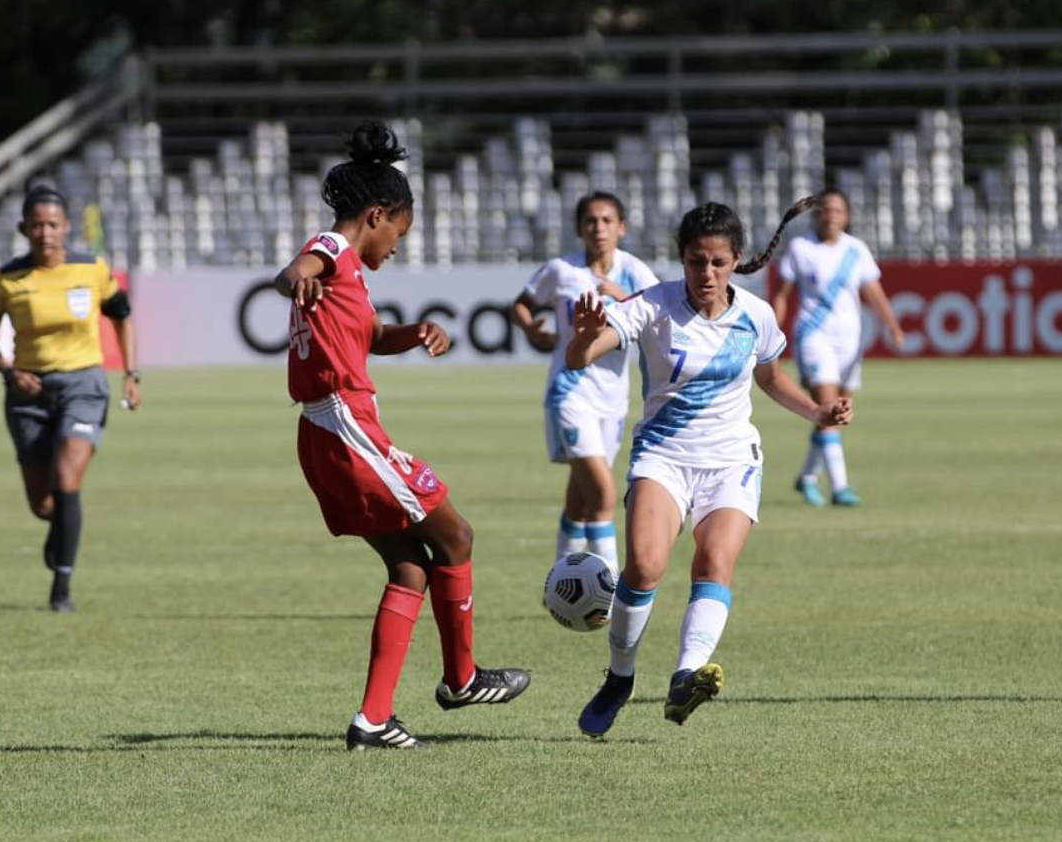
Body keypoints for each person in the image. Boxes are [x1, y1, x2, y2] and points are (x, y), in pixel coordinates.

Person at [273, 120, 530, 751]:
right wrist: (298, 275)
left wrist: (415, 332)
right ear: (378, 215)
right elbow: (298, 267)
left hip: (323, 431)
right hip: (345, 428)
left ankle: (373, 720)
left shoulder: (352, 278)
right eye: (399, 234)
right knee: (457, 536)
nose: (396, 247)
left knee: (410, 567)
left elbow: (369, 337)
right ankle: (462, 679)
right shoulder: (333, 249)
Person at [566, 198, 854, 738]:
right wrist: (583, 338)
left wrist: (817, 412)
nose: (707, 273)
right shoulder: (653, 305)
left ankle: (685, 677)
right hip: (663, 457)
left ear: (736, 260)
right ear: (682, 257)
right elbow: (581, 357)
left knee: (715, 562)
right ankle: (619, 679)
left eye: (718, 262)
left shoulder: (756, 315)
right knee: (644, 567)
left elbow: (770, 378)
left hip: (731, 461)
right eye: (697, 261)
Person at [0, 184, 141, 613]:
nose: (45, 232)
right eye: (36, 225)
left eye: (53, 224)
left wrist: (131, 373)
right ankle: (62, 529)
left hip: (83, 386)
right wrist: (10, 373)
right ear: (23, 229)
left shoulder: (92, 269)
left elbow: (122, 317)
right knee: (44, 504)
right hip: (28, 395)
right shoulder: (8, 279)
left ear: (67, 227)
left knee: (67, 478)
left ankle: (61, 589)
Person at [511, 193, 659, 579]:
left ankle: (560, 582)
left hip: (613, 398)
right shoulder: (562, 270)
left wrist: (625, 298)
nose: (599, 228)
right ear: (579, 228)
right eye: (591, 221)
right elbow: (521, 304)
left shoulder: (635, 272)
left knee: (581, 500)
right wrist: (532, 329)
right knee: (604, 495)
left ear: (621, 227)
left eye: (607, 220)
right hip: (570, 392)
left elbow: (663, 322)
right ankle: (608, 590)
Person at [771, 188, 904, 507]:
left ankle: (807, 477)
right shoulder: (801, 248)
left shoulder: (856, 249)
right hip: (814, 336)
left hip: (849, 341)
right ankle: (840, 486)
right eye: (825, 209)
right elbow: (782, 294)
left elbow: (874, 292)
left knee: (837, 412)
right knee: (828, 405)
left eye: (838, 210)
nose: (831, 216)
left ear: (847, 216)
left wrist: (892, 325)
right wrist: (772, 332)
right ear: (816, 214)